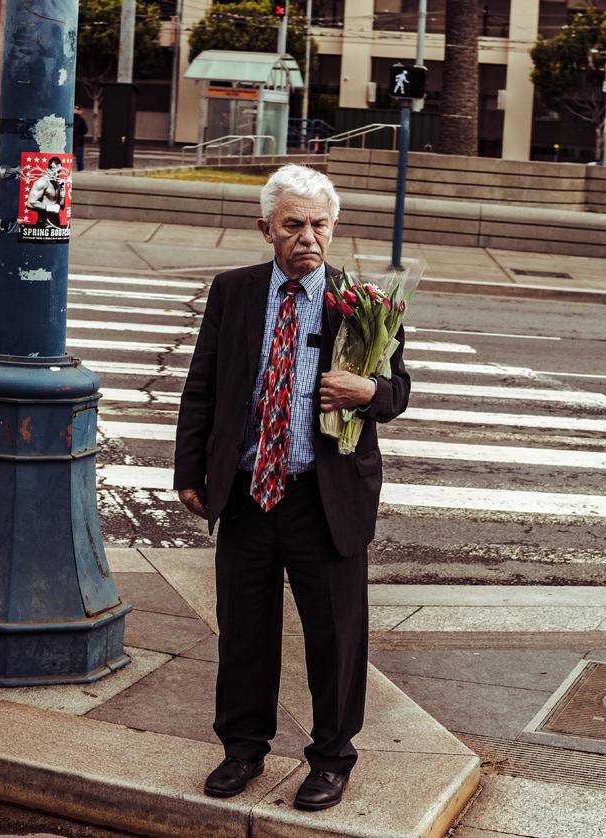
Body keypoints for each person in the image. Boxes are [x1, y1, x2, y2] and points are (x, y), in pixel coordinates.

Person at [174, 164, 410, 812]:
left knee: (335, 636)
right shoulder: (234, 293)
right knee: (244, 630)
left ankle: (331, 758)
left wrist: (369, 392)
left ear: (332, 228)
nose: (307, 237)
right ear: (266, 230)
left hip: (322, 497)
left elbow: (398, 392)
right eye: (292, 225)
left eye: (318, 224)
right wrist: (189, 472)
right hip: (249, 493)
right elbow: (202, 387)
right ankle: (242, 749)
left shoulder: (364, 303)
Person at [26, 157, 66, 227]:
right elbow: (30, 203)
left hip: (55, 221)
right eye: (53, 170)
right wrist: (50, 208)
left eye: (58, 171)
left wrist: (63, 193)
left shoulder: (58, 183)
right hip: (44, 222)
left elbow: (61, 207)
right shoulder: (42, 182)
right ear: (47, 169)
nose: (56, 173)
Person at [72, 105, 88, 173]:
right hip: (79, 142)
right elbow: (85, 130)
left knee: (73, 158)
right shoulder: (81, 120)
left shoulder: (70, 118)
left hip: (74, 142)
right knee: (79, 160)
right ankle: (80, 171)